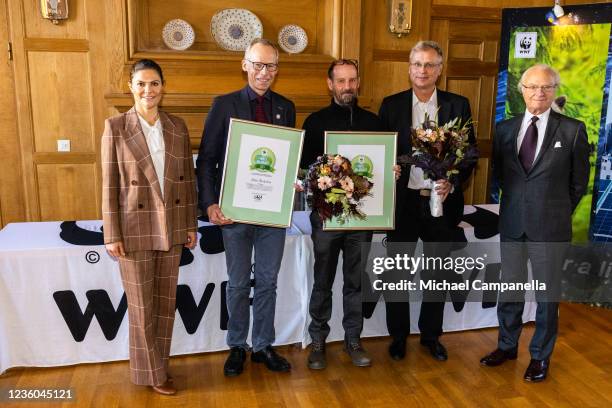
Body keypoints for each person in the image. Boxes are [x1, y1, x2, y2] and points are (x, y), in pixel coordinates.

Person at [481, 64, 589, 382]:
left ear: (555, 90)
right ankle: (507, 345)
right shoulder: (504, 129)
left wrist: (555, 211)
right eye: (532, 87)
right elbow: (502, 175)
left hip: (551, 229)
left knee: (546, 297)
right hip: (513, 224)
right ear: (522, 90)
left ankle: (540, 356)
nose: (539, 93)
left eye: (546, 87)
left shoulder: (573, 129)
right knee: (510, 289)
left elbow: (578, 183)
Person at [196, 38, 296, 376]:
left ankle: (263, 345)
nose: (263, 72)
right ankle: (237, 345)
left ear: (277, 70)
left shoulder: (286, 107)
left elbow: (286, 162)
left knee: (267, 281)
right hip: (234, 213)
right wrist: (209, 204)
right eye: (257, 64)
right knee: (238, 282)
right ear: (244, 64)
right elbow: (207, 159)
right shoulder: (223, 105)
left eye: (270, 66)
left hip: (272, 216)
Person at [101, 59, 198, 395]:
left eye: (154, 83)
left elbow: (187, 180)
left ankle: (161, 368)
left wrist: (189, 224)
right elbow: (108, 185)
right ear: (131, 86)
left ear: (163, 86)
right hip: (133, 227)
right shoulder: (115, 127)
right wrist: (111, 233)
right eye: (141, 84)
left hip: (170, 226)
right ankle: (154, 374)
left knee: (164, 300)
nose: (148, 90)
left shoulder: (176, 126)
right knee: (142, 306)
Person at [378, 40, 476, 362]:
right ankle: (398, 336)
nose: (423, 70)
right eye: (418, 64)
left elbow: (469, 155)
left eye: (430, 65)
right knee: (397, 272)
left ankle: (431, 336)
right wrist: (385, 168)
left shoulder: (457, 105)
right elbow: (380, 152)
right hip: (403, 203)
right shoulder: (390, 106)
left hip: (441, 205)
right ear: (409, 68)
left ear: (439, 70)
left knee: (437, 272)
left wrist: (453, 180)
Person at [301, 59, 384, 370]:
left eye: (352, 80)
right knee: (322, 280)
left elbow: (380, 169)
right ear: (330, 84)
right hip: (327, 219)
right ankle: (318, 340)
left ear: (358, 82)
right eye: (341, 81)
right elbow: (304, 170)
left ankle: (353, 339)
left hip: (362, 218)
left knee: (355, 281)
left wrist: (392, 170)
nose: (347, 87)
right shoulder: (314, 121)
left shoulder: (374, 122)